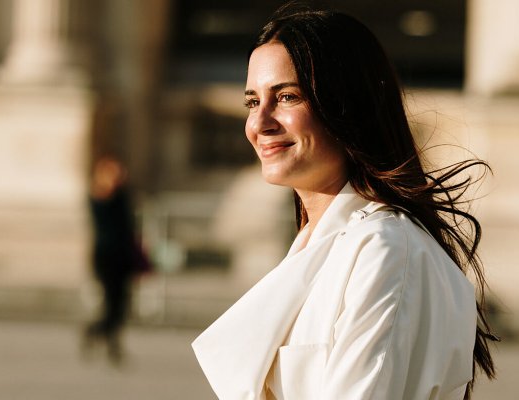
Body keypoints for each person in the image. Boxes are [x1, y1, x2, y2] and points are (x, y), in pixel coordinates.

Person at [192, 4, 497, 399]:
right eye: (252, 101)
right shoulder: (326, 244)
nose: (260, 122)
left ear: (346, 107)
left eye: (286, 97)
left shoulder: (383, 249)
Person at [82, 155, 139, 365]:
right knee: (110, 305)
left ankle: (112, 344)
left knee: (122, 305)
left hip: (124, 258)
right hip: (106, 257)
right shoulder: (100, 197)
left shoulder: (123, 196)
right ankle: (94, 332)